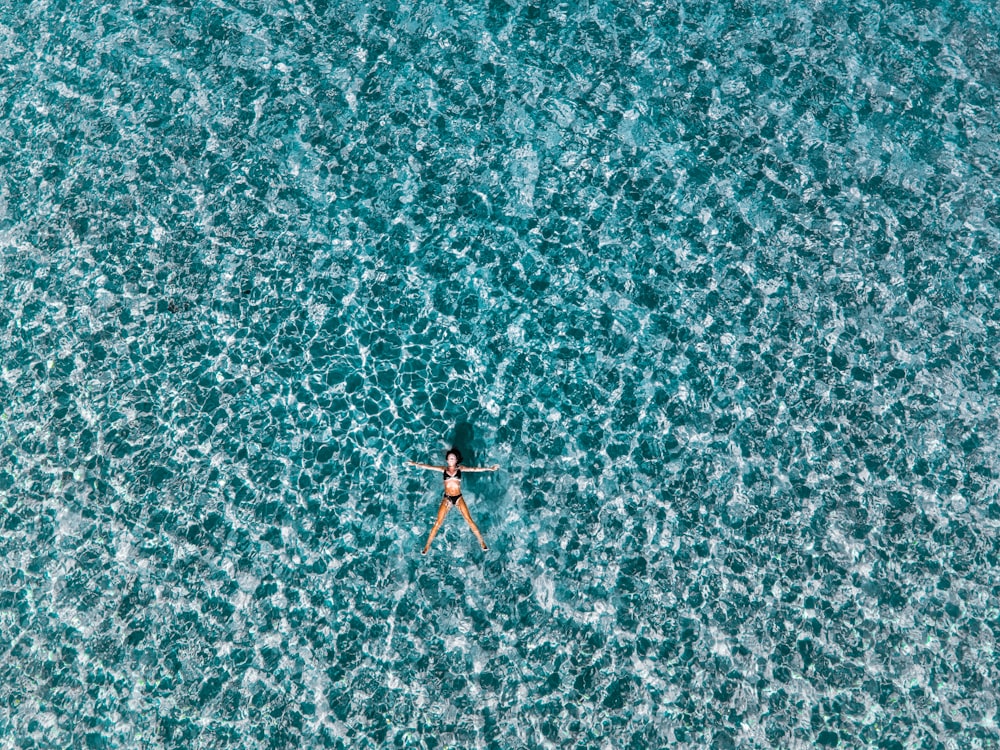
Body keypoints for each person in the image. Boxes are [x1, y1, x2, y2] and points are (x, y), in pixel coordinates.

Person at [406, 448, 498, 554]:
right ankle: (427, 546)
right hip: (447, 498)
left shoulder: (460, 469)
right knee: (438, 523)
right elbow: (428, 467)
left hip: (458, 497)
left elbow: (474, 469)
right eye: (449, 458)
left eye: (453, 458)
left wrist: (490, 469)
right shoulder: (443, 469)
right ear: (447, 460)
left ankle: (482, 542)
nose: (451, 460)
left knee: (469, 520)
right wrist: (414, 464)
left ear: (456, 460)